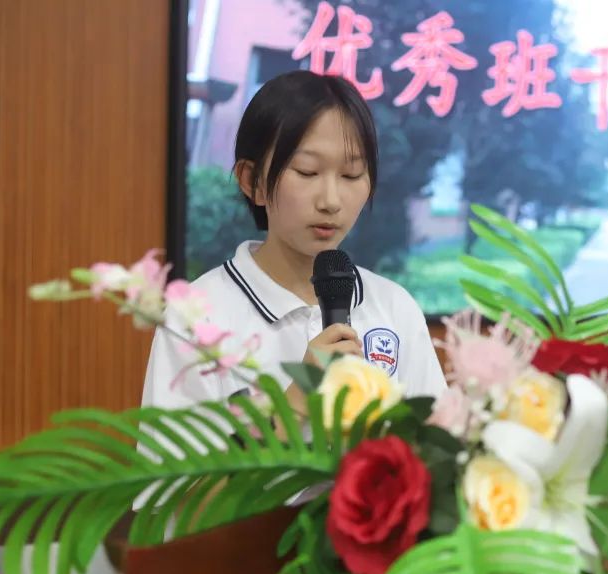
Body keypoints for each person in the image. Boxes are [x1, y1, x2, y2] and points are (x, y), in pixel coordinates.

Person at [142, 71, 446, 414]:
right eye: (307, 171)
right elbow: (171, 451)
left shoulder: (394, 308)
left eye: (351, 175)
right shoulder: (196, 318)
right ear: (252, 181)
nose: (331, 201)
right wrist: (294, 402)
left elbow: (436, 440)